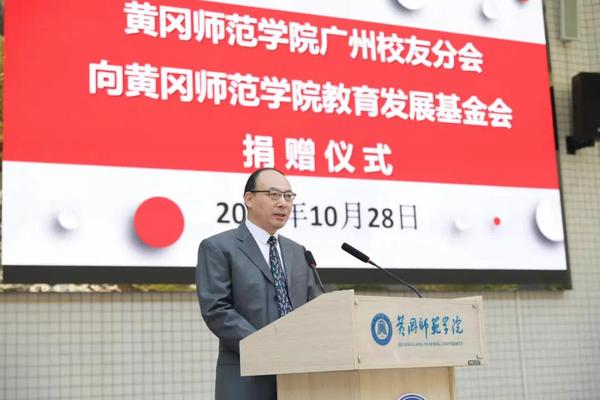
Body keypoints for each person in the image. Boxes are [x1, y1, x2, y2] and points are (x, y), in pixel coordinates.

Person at [196, 168, 321, 400]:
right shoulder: (218, 247)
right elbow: (216, 309)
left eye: (288, 196)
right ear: (249, 199)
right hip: (246, 378)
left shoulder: (298, 252)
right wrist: (266, 347)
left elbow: (314, 308)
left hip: (299, 377)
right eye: (274, 195)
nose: (283, 203)